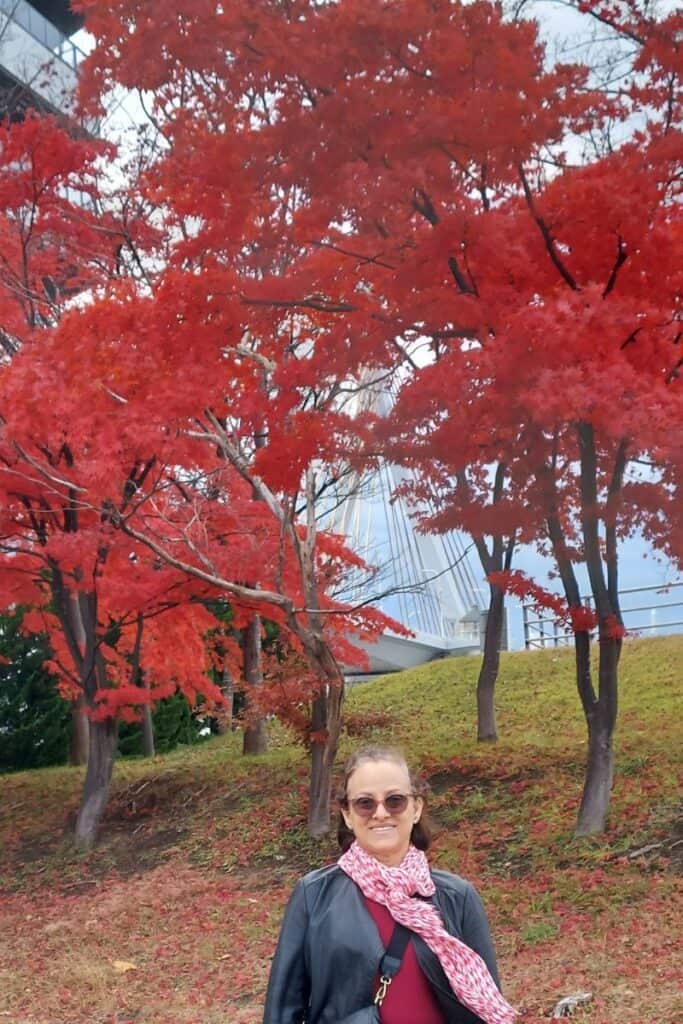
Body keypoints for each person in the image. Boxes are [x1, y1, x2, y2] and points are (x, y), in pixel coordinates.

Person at [263, 744, 517, 1024]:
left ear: (417, 808)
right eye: (365, 803)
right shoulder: (314, 895)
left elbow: (484, 1011)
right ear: (347, 814)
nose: (380, 813)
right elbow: (282, 1010)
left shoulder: (457, 897)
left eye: (395, 800)